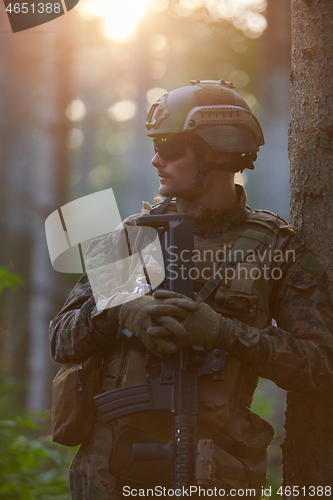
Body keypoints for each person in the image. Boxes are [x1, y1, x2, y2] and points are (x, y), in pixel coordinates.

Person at [49, 80, 333, 500]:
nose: (155, 159)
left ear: (216, 152)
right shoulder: (135, 237)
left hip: (212, 474)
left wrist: (224, 333)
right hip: (108, 476)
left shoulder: (277, 247)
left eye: (169, 145)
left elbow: (319, 364)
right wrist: (119, 311)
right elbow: (62, 337)